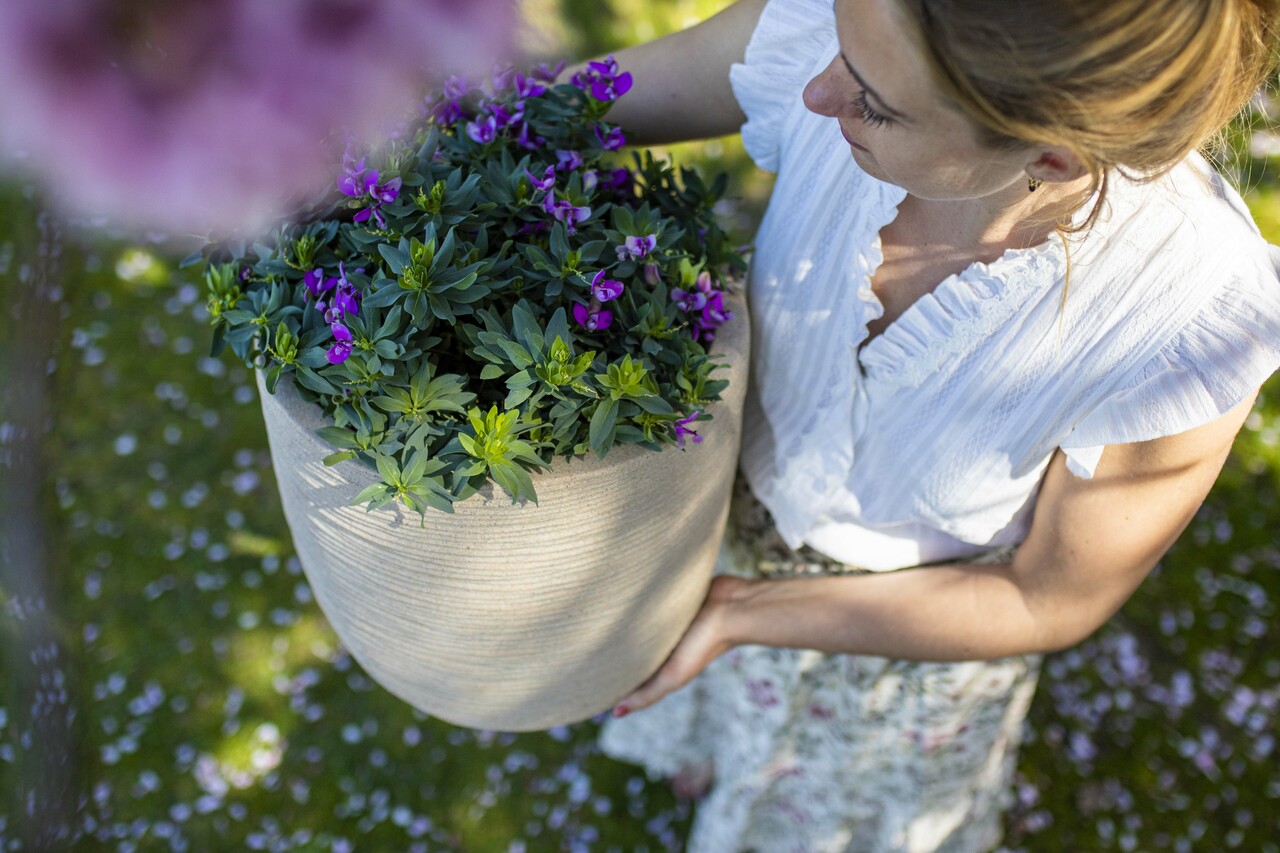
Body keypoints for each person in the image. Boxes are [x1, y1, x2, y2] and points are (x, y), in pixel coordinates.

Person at [581, 0, 1280, 850]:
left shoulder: (1189, 315)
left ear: (1048, 153)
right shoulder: (856, 25)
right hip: (719, 525)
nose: (815, 92)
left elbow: (1044, 595)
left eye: (873, 101)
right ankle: (712, 751)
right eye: (841, 40)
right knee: (723, 724)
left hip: (907, 640)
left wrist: (742, 612)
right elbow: (552, 109)